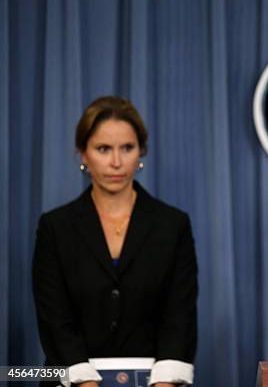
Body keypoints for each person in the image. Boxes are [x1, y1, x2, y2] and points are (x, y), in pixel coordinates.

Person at [32, 96, 198, 386]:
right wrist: (84, 381)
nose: (116, 162)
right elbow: (54, 319)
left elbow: (179, 316)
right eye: (103, 149)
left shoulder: (173, 225)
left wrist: (165, 382)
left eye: (127, 148)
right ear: (83, 153)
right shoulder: (55, 227)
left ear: (141, 151)